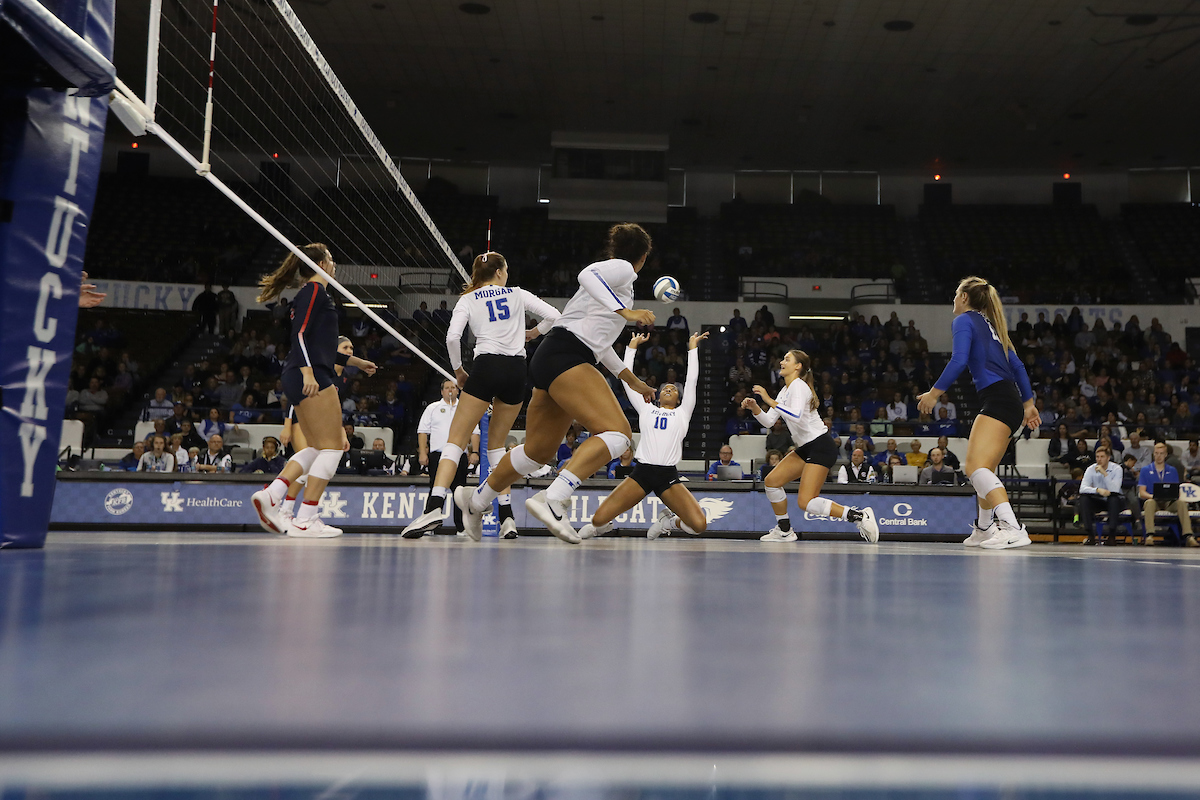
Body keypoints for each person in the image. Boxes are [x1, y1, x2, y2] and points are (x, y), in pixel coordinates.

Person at [456, 224, 657, 544]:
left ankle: (475, 502)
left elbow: (601, 346)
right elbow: (586, 274)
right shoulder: (621, 271)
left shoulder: (612, 287)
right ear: (643, 258)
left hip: (552, 356)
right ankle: (554, 498)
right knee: (619, 434)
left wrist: (635, 382)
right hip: (567, 355)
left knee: (536, 452)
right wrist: (628, 313)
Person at [403, 252, 560, 540]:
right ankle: (507, 517)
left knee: (456, 440)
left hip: (486, 366)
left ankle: (434, 506)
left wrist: (459, 370)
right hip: (516, 369)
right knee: (497, 447)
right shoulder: (517, 293)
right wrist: (533, 332)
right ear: (500, 272)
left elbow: (452, 338)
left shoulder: (468, 299)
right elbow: (555, 316)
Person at [917, 276, 1039, 549]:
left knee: (974, 467)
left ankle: (1012, 527)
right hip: (1010, 400)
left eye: (955, 293)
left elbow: (959, 360)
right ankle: (984, 528)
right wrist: (1029, 404)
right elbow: (1018, 366)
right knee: (986, 470)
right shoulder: (993, 326)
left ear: (963, 298)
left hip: (997, 398)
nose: (953, 299)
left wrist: (933, 394)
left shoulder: (964, 320)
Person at [251, 243, 353, 538]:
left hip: (300, 374)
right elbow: (299, 334)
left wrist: (355, 361)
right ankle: (306, 518)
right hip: (309, 375)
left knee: (316, 448)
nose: (334, 265)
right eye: (331, 259)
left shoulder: (314, 293)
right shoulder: (313, 291)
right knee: (333, 448)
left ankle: (273, 495)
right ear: (321, 263)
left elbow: (320, 343)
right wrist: (309, 371)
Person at [579, 330, 710, 540]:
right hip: (641, 473)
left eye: (673, 389)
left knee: (698, 525)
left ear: (679, 398)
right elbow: (626, 381)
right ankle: (602, 527)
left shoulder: (683, 413)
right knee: (597, 520)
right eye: (664, 388)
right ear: (657, 395)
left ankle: (667, 521)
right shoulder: (646, 408)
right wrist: (631, 348)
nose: (668, 388)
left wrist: (692, 348)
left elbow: (692, 379)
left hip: (668, 476)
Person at [742, 350, 878, 543]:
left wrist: (767, 399)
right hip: (806, 448)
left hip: (821, 446)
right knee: (772, 482)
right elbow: (770, 422)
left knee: (806, 502)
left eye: (787, 359)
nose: (782, 362)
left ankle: (859, 516)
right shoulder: (786, 390)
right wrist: (755, 408)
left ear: (798, 366)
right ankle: (784, 531)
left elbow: (795, 415)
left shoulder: (799, 386)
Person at [275, 335, 376, 527]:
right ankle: (285, 511)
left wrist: (340, 433)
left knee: (316, 464)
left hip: (321, 421)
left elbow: (333, 409)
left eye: (352, 348)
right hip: (300, 418)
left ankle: (296, 511)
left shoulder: (344, 379)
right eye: (346, 347)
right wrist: (287, 426)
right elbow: (295, 397)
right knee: (307, 462)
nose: (350, 351)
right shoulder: (322, 368)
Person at [409, 379, 481, 536]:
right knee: (435, 489)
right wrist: (422, 452)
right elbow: (422, 431)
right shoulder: (432, 408)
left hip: (459, 455)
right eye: (447, 388)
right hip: (437, 455)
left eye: (453, 388)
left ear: (457, 391)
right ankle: (430, 524)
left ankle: (461, 527)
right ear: (441, 391)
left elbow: (475, 431)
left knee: (459, 491)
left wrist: (474, 452)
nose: (450, 390)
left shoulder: (465, 408)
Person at [1138, 441, 1198, 547]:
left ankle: (1189, 536)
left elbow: (1177, 491)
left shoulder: (1172, 470)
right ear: (1153, 454)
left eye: (1161, 453)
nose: (1159, 456)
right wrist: (1153, 496)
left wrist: (1173, 496)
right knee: (1149, 502)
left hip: (1169, 502)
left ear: (1166, 455)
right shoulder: (1145, 470)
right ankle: (1150, 536)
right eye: (1156, 453)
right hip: (1154, 501)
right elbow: (1142, 492)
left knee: (1181, 503)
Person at [1077, 445, 1124, 545]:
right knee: (1083, 498)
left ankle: (1111, 536)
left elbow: (1114, 490)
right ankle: (1090, 535)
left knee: (1114, 499)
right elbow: (1082, 488)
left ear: (1108, 457)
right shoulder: (1090, 469)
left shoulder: (1117, 469)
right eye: (1097, 457)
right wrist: (1097, 490)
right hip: (1098, 499)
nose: (1099, 459)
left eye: (1102, 457)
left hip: (1114, 499)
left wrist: (1104, 474)